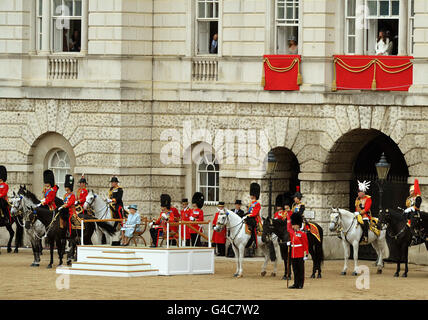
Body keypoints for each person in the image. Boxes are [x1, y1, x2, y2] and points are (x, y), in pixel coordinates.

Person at [287, 211, 309, 289]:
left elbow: (305, 244)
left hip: (300, 254)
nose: (293, 226)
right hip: (293, 254)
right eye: (293, 225)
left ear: (298, 225)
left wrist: (306, 254)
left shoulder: (302, 234)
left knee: (300, 270)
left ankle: (300, 284)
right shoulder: (292, 233)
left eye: (294, 225)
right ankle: (295, 283)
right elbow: (288, 228)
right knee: (295, 270)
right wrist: (289, 243)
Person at [404, 179, 423, 244]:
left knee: (412, 226)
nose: (410, 192)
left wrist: (411, 208)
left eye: (411, 191)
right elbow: (407, 205)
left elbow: (417, 206)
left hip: (415, 214)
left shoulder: (418, 198)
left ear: (414, 191)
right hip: (410, 214)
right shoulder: (410, 198)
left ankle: (415, 237)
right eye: (410, 191)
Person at [244, 182, 261, 248]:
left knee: (253, 226)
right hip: (250, 217)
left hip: (255, 218)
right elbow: (249, 211)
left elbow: (255, 213)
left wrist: (249, 215)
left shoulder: (257, 203)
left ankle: (253, 241)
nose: (250, 196)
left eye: (251, 194)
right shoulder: (250, 203)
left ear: (254, 195)